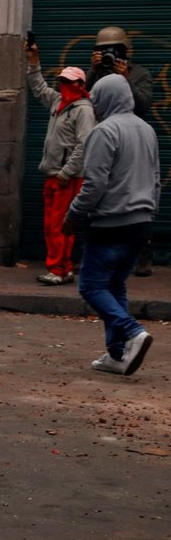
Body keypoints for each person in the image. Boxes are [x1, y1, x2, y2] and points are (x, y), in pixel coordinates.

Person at [62, 74, 159, 376]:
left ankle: (132, 332)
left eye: (97, 97)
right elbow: (155, 180)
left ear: (105, 98)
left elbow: (94, 184)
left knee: (91, 286)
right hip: (141, 223)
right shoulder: (147, 130)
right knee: (115, 284)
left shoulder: (105, 131)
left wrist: (73, 214)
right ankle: (117, 354)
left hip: (111, 223)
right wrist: (149, 213)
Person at [85, 25, 155, 278]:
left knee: (135, 193)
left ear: (126, 51)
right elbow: (82, 100)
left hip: (132, 140)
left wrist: (124, 79)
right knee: (100, 191)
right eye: (103, 50)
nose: (109, 54)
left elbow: (144, 105)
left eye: (114, 50)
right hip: (102, 138)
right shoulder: (96, 74)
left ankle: (141, 254)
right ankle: (95, 254)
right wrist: (93, 72)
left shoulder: (139, 74)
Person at [25, 42, 95, 286]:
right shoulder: (58, 102)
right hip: (55, 175)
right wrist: (34, 61)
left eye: (69, 82)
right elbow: (38, 87)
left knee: (59, 226)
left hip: (67, 177)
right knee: (52, 225)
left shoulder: (83, 110)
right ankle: (61, 268)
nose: (64, 85)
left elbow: (84, 144)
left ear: (81, 85)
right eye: (62, 81)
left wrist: (66, 172)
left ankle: (59, 270)